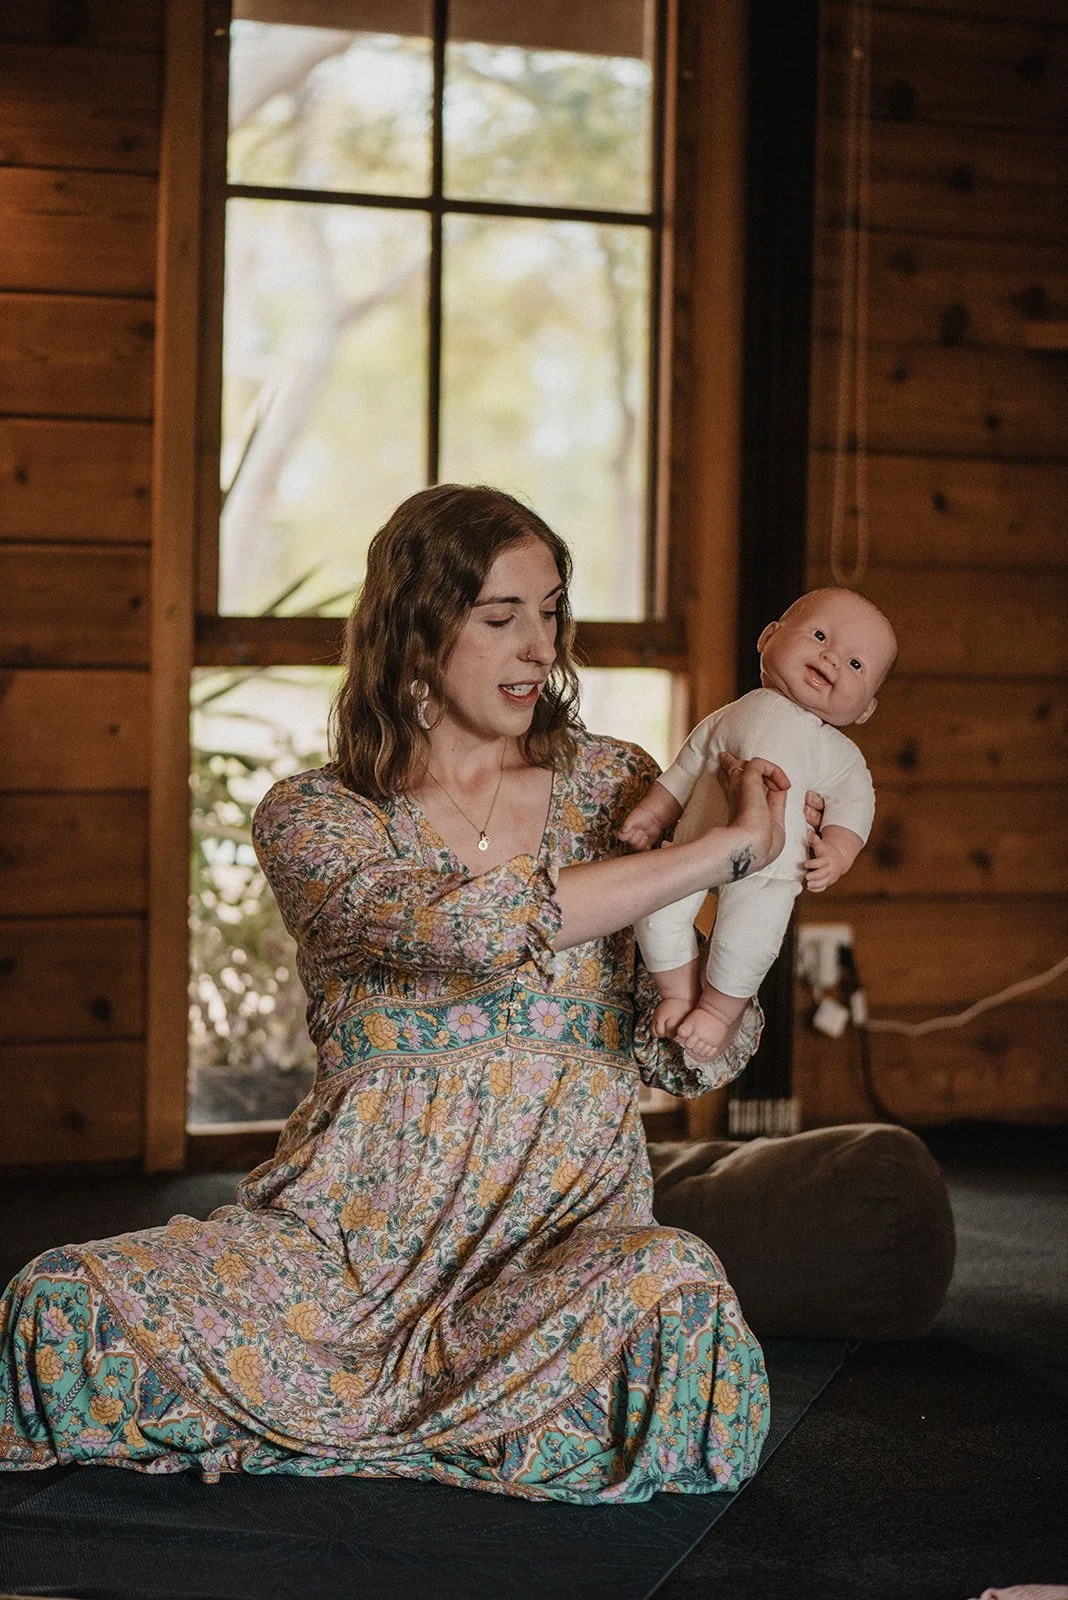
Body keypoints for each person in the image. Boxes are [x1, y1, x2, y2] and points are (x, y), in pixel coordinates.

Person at [0, 485, 791, 1504]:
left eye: (550, 612)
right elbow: (470, 929)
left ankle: (353, 1427)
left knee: (680, 1303)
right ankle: (431, 1421)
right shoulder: (316, 818)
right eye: (501, 618)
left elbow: (687, 1055)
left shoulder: (618, 791)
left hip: (548, 1258)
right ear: (416, 632)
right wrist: (719, 854)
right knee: (58, 1305)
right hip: (336, 1261)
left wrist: (728, 953)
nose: (538, 647)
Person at [620, 587, 897, 1060]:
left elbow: (855, 804)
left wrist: (838, 850)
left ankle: (718, 1013)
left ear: (865, 708)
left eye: (855, 665)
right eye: (819, 635)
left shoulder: (839, 755)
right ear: (769, 636)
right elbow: (687, 768)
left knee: (746, 944)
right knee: (656, 913)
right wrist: (652, 814)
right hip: (693, 852)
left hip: (772, 870)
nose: (831, 657)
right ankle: (677, 993)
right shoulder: (732, 713)